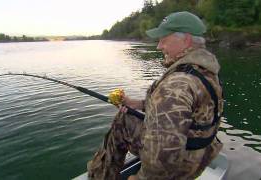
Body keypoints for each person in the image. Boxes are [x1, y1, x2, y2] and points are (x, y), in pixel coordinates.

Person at [87, 11, 224, 180]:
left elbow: (164, 154)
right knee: (129, 115)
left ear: (186, 40)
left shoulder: (175, 86)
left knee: (122, 121)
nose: (159, 46)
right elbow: (183, 109)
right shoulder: (205, 71)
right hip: (202, 153)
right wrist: (136, 104)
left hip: (181, 166)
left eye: (163, 39)